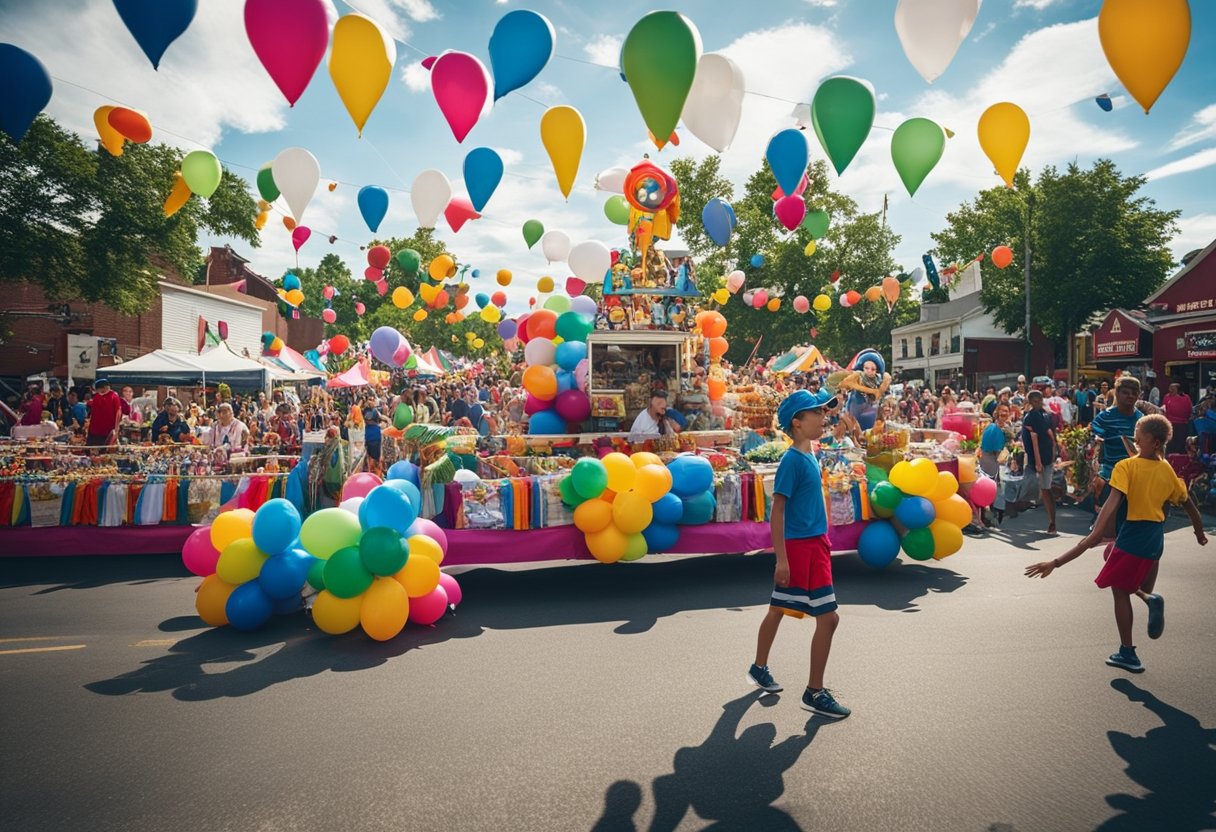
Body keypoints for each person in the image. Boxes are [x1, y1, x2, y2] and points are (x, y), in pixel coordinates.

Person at [1025, 414, 1207, 673]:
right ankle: (1149, 597)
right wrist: (1199, 534)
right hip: (1155, 539)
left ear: (1153, 442)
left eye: (1139, 435)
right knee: (1132, 583)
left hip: (1132, 536)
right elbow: (1189, 505)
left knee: (1120, 591)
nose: (1134, 438)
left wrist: (1056, 561)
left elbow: (1103, 520)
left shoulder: (1126, 467)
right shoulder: (1167, 470)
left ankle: (1128, 653)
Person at [747, 388, 849, 719]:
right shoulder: (792, 460)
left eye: (823, 411)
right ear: (798, 422)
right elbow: (777, 511)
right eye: (816, 412)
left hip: (814, 544)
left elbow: (838, 419)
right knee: (826, 617)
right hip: (800, 547)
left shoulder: (810, 452)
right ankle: (814, 692)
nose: (823, 416)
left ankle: (760, 667)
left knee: (780, 609)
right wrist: (781, 559)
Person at [1091, 377, 1145, 510]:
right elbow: (1093, 435)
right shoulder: (1105, 417)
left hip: (1135, 476)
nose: (1130, 396)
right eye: (1126, 392)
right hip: (1110, 475)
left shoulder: (1142, 419)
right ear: (1117, 393)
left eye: (1134, 393)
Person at [1022, 390, 1058, 534]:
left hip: (1041, 459)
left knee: (1044, 489)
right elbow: (1047, 438)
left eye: (1039, 400)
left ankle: (1052, 522)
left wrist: (1039, 462)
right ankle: (1052, 522)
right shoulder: (1041, 416)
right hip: (1042, 458)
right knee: (1044, 489)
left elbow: (1039, 438)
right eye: (1034, 401)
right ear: (1030, 402)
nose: (1037, 403)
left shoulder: (1036, 417)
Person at [980, 403, 1012, 524]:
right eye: (1002, 412)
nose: (1004, 414)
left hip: (995, 459)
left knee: (996, 487)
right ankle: (989, 514)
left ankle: (993, 513)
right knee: (992, 486)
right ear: (997, 413)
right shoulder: (993, 428)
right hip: (991, 459)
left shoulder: (1005, 427)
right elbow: (992, 447)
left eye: (1006, 411)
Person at [86, 379, 123, 447]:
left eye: (97, 389)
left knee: (103, 450)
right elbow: (91, 405)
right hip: (94, 429)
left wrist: (116, 429)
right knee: (90, 449)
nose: (96, 391)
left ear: (104, 388)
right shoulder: (97, 396)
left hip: (106, 431)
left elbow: (118, 412)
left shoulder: (114, 396)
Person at [1162, 382, 1193, 455]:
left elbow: (1189, 410)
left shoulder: (1186, 398)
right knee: (1170, 444)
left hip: (1182, 425)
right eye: (1170, 388)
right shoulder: (1167, 397)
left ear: (1178, 390)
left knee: (1180, 445)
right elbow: (1164, 409)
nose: (1170, 390)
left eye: (1173, 388)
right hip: (1170, 424)